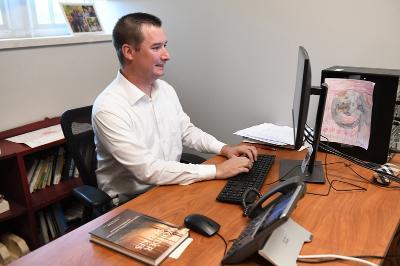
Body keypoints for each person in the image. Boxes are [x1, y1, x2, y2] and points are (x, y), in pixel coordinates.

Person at [92, 12, 257, 204]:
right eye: (156, 47)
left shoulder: (165, 90)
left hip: (170, 185)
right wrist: (217, 170)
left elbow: (186, 131)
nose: (166, 55)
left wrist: (224, 148)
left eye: (165, 45)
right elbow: (148, 170)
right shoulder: (108, 108)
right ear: (129, 52)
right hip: (132, 201)